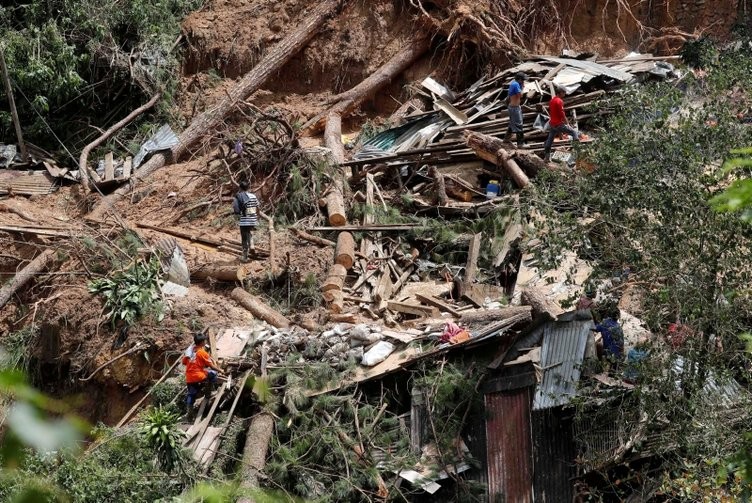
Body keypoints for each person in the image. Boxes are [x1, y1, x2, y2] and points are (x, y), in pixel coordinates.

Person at [183, 333, 223, 415]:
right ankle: (209, 393)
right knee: (213, 374)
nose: (205, 341)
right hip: (199, 376)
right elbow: (212, 367)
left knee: (191, 394)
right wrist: (221, 370)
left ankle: (189, 414)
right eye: (204, 340)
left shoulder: (190, 351)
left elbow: (184, 362)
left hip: (189, 377)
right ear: (202, 342)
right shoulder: (202, 353)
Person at [543, 86, 581, 162]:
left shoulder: (552, 100)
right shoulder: (559, 101)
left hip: (552, 124)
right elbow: (562, 114)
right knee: (574, 132)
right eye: (564, 92)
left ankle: (547, 157)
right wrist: (567, 124)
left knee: (549, 141)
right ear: (560, 93)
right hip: (558, 124)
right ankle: (577, 153)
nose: (565, 94)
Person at [232, 180, 259, 262]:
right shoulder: (253, 196)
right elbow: (258, 207)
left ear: (240, 188)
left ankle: (245, 257)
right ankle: (252, 245)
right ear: (248, 188)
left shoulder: (239, 196)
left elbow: (236, 209)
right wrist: (257, 217)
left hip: (245, 220)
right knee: (249, 231)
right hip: (253, 219)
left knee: (244, 238)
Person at [504, 72, 527, 148]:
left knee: (512, 123)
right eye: (523, 80)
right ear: (519, 79)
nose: (523, 81)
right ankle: (520, 144)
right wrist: (523, 88)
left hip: (514, 107)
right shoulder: (516, 84)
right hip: (514, 108)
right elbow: (520, 95)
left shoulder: (514, 84)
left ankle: (506, 139)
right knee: (519, 125)